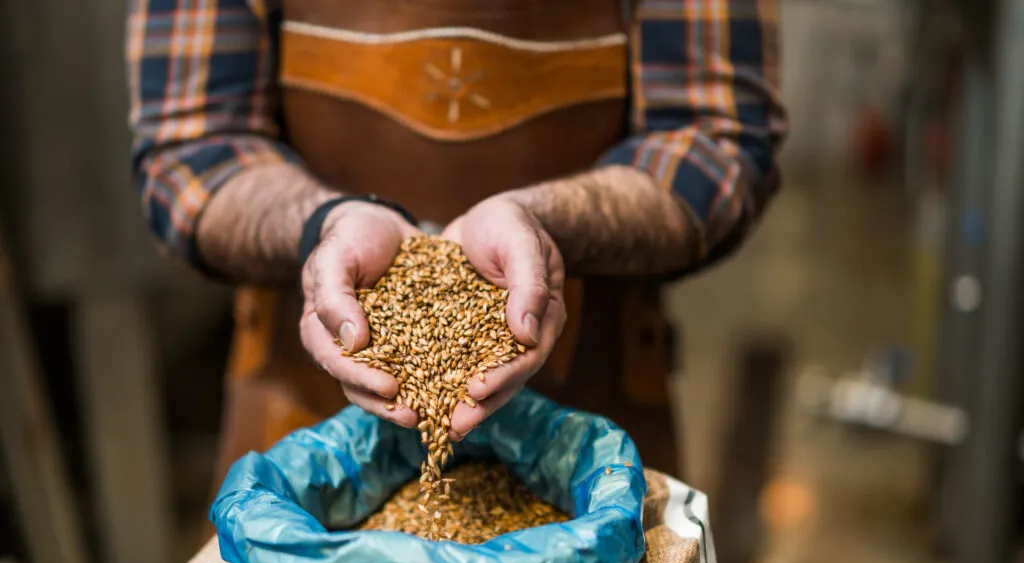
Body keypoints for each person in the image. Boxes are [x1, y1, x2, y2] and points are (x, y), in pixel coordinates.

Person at [128, 0, 787, 494]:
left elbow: (716, 140)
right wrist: (322, 226)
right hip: (298, 425)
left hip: (590, 433)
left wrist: (547, 223)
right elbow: (193, 152)